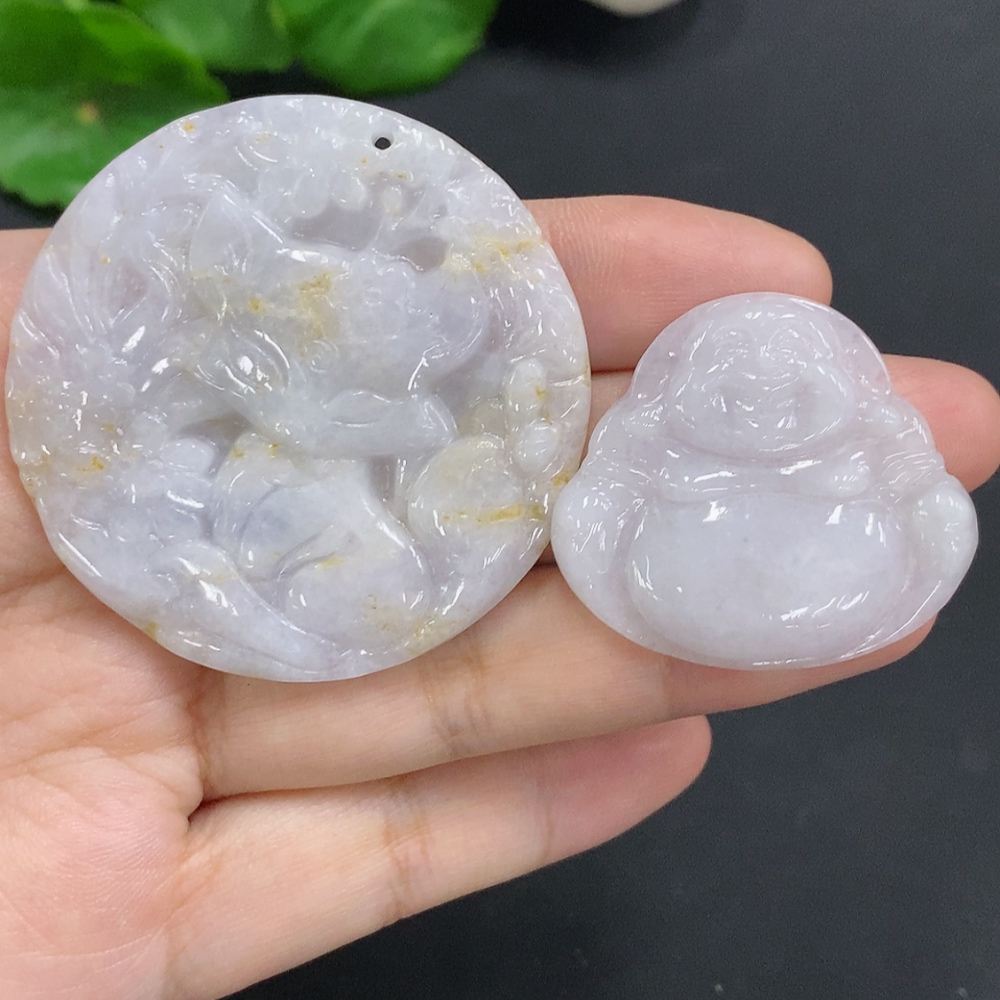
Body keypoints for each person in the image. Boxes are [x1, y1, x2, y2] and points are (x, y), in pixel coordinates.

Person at [1, 196, 997, 999]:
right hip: (279, 540)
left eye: (795, 380)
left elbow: (919, 498)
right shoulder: (621, 447)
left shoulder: (869, 452)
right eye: (736, 378)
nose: (763, 397)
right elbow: (576, 498)